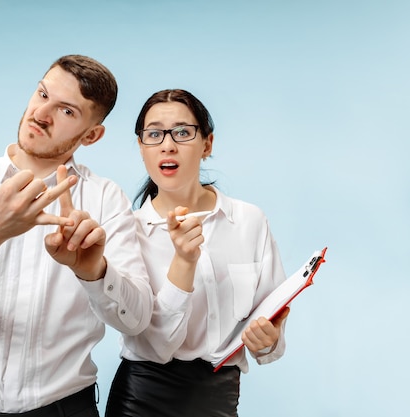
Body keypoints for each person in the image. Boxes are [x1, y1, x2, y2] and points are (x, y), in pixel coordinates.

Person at [0, 55, 153, 417]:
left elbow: (136, 320)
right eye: (41, 95)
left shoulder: (105, 199)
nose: (41, 114)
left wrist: (94, 272)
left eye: (66, 111)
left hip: (66, 410)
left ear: (92, 135)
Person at [105, 89, 290, 417]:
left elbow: (270, 336)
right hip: (142, 399)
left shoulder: (249, 221)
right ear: (141, 147)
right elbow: (156, 345)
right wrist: (185, 261)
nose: (167, 144)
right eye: (154, 134)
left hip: (219, 399)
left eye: (182, 132)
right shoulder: (127, 232)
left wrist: (268, 340)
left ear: (207, 144)